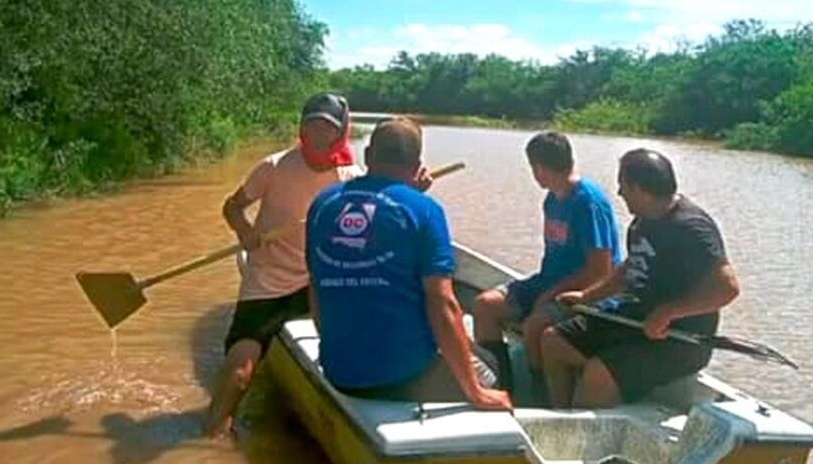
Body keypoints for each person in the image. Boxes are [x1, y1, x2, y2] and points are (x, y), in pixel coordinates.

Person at [305, 117, 513, 411]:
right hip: (400, 378)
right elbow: (442, 303)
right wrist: (476, 391)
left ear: (367, 157)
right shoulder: (424, 210)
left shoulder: (322, 204)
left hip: (339, 370)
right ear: (417, 166)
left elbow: (316, 288)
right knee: (490, 366)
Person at [203, 93, 362, 437]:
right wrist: (245, 231)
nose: (318, 136)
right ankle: (212, 435)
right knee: (240, 375)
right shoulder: (274, 167)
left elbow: (381, 215)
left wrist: (414, 189)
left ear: (340, 134)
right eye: (311, 126)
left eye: (327, 128)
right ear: (301, 129)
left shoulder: (351, 178)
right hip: (267, 279)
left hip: (319, 280)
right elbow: (232, 207)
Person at [540, 148, 739, 408]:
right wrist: (588, 297)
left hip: (677, 339)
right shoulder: (642, 221)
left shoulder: (691, 227)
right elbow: (630, 267)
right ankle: (559, 415)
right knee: (553, 341)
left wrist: (669, 312)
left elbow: (728, 288)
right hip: (632, 321)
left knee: (598, 373)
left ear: (639, 188)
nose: (620, 193)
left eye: (623, 186)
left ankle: (583, 432)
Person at [471, 132, 620, 396]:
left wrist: (550, 296)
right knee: (485, 306)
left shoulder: (588, 202)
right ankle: (501, 387)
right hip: (548, 281)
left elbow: (601, 271)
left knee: (534, 326)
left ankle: (539, 394)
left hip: (585, 291)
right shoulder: (552, 199)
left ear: (539, 168)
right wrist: (544, 291)